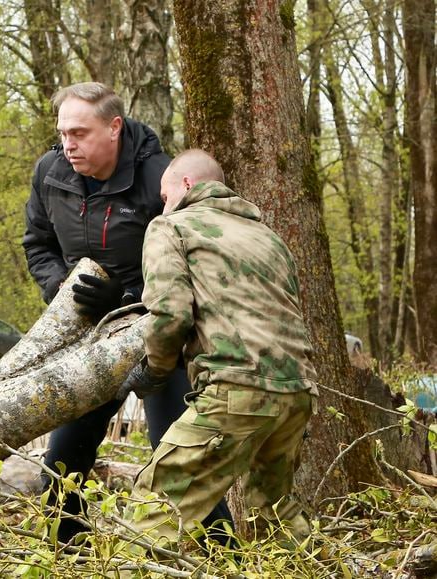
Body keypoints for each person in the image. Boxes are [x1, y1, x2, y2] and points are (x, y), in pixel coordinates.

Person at [22, 81, 232, 542]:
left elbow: (195, 263)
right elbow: (37, 243)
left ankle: (226, 559)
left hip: (160, 337)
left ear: (114, 127)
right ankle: (68, 557)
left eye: (79, 132)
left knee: (175, 458)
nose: (67, 143)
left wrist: (124, 296)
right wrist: (61, 288)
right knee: (62, 460)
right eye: (62, 133)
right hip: (89, 336)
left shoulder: (159, 177)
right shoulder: (50, 172)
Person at [122, 149, 319, 543]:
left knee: (154, 511)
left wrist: (154, 369)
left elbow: (170, 313)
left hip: (236, 389)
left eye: (165, 196)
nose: (163, 205)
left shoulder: (172, 227)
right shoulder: (268, 237)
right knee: (274, 513)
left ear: (186, 185)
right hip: (297, 392)